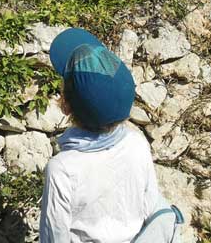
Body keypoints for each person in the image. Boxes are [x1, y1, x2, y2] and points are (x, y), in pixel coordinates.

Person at [40, 28, 170, 243]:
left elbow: (54, 237)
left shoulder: (63, 168)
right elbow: (149, 208)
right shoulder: (136, 143)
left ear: (65, 105)